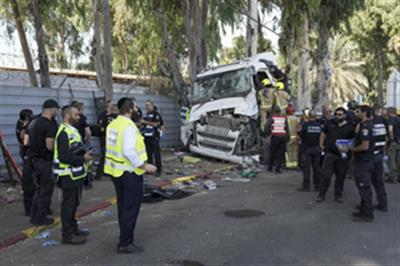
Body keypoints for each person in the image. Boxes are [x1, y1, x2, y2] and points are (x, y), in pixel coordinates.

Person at [104, 97, 157, 254]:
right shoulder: (128, 127)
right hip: (130, 173)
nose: (137, 110)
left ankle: (124, 238)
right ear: (129, 109)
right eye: (135, 107)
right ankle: (125, 243)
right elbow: (128, 151)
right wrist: (145, 166)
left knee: (123, 207)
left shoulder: (113, 124)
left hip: (116, 172)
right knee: (130, 209)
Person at [53, 105, 93, 244]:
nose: (79, 117)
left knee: (74, 203)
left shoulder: (73, 130)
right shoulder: (63, 132)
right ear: (67, 115)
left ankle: (74, 228)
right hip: (67, 175)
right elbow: (64, 157)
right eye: (76, 114)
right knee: (68, 205)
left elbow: (75, 149)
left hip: (76, 174)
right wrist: (83, 159)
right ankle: (67, 235)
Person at [27, 99, 59, 226]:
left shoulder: (34, 121)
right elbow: (49, 145)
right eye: (56, 109)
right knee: (45, 190)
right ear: (52, 109)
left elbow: (27, 141)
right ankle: (41, 218)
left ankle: (34, 215)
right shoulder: (49, 124)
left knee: (38, 189)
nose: (57, 112)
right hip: (45, 160)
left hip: (34, 160)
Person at [317, 107, 355, 203]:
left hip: (342, 156)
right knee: (326, 175)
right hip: (330, 154)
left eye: (340, 114)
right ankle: (321, 195)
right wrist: (321, 144)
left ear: (344, 115)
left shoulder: (350, 127)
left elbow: (353, 140)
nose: (337, 116)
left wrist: (348, 148)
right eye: (336, 114)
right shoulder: (330, 123)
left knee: (340, 176)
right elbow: (323, 133)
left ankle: (338, 196)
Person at [348, 105, 375, 222]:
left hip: (363, 161)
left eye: (358, 112)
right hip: (364, 160)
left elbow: (364, 146)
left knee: (364, 187)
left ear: (364, 113)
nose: (355, 114)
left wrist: (351, 149)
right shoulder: (364, 125)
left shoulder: (366, 127)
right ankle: (363, 210)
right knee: (362, 187)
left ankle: (368, 214)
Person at [16, 109, 34, 216]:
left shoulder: (22, 124)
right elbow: (24, 139)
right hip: (27, 155)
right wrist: (26, 127)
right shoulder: (22, 126)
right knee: (29, 184)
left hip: (28, 154)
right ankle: (29, 208)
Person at [297, 110, 321, 192]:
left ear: (309, 116)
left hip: (307, 149)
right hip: (317, 149)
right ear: (316, 116)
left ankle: (306, 186)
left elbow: (300, 134)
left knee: (306, 169)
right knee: (316, 169)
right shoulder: (319, 126)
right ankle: (317, 186)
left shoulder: (305, 125)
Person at [71, 101, 93, 189]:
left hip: (73, 143)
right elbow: (88, 132)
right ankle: (87, 181)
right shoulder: (82, 118)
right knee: (86, 162)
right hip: (81, 143)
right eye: (83, 109)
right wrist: (88, 139)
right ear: (79, 109)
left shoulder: (70, 119)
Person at [96, 100, 118, 179]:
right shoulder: (117, 118)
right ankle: (102, 172)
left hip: (106, 138)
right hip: (111, 139)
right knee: (108, 155)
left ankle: (103, 172)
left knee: (105, 155)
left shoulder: (107, 117)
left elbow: (101, 128)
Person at [141, 100, 162, 177]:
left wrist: (145, 122)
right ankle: (150, 169)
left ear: (152, 105)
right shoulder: (146, 114)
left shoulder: (156, 114)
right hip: (147, 136)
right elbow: (144, 125)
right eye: (146, 105)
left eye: (148, 105)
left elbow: (156, 124)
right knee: (148, 154)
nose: (147, 107)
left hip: (154, 136)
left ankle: (158, 170)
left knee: (156, 153)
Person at [265, 105, 289, 173]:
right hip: (283, 137)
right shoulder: (284, 118)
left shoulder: (272, 118)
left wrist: (267, 133)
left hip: (275, 137)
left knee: (272, 153)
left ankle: (270, 167)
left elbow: (267, 126)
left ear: (273, 111)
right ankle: (277, 169)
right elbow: (287, 128)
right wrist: (287, 137)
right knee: (280, 154)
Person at [385, 107, 399, 183]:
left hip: (392, 143)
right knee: (398, 160)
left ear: (390, 112)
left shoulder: (390, 120)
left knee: (391, 160)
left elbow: (390, 130)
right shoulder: (399, 119)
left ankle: (393, 177)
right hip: (398, 142)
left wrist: (390, 140)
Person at [285, 104, 300, 169]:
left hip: (288, 138)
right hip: (295, 137)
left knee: (288, 152)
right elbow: (299, 128)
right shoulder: (297, 119)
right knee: (295, 152)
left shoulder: (285, 118)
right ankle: (295, 164)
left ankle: (289, 165)